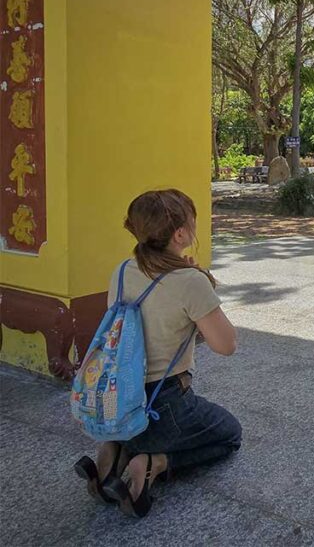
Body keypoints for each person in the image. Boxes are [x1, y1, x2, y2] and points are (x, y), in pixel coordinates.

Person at [76, 189, 240, 518]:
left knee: (138, 429)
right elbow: (226, 345)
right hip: (161, 403)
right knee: (230, 434)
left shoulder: (122, 270)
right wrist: (198, 282)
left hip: (117, 393)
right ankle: (151, 462)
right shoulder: (190, 281)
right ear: (180, 234)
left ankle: (114, 449)